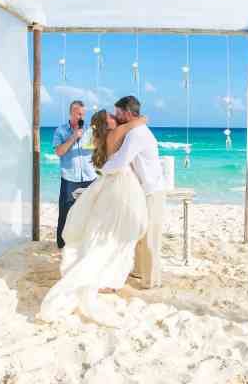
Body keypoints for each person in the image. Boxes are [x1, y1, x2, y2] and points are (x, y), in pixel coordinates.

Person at [39, 109, 149, 325]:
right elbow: (138, 122)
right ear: (105, 122)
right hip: (121, 186)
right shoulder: (115, 133)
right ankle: (106, 277)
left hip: (112, 185)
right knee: (114, 233)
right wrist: (136, 118)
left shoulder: (102, 137)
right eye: (110, 116)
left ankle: (106, 278)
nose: (113, 117)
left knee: (108, 233)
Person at [102, 96, 165, 289]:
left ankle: (152, 280)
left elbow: (121, 160)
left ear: (128, 113)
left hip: (151, 190)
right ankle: (139, 271)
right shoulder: (134, 131)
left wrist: (101, 170)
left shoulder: (137, 133)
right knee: (139, 232)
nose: (117, 116)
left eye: (119, 113)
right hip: (143, 189)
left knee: (150, 237)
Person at [52, 100, 97, 248]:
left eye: (83, 114)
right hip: (70, 178)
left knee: (90, 213)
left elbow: (95, 150)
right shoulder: (61, 131)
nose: (81, 116)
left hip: (90, 177)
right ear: (71, 113)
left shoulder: (90, 130)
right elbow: (59, 152)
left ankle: (86, 243)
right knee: (66, 213)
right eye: (79, 114)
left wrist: (97, 141)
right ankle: (62, 245)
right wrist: (73, 137)